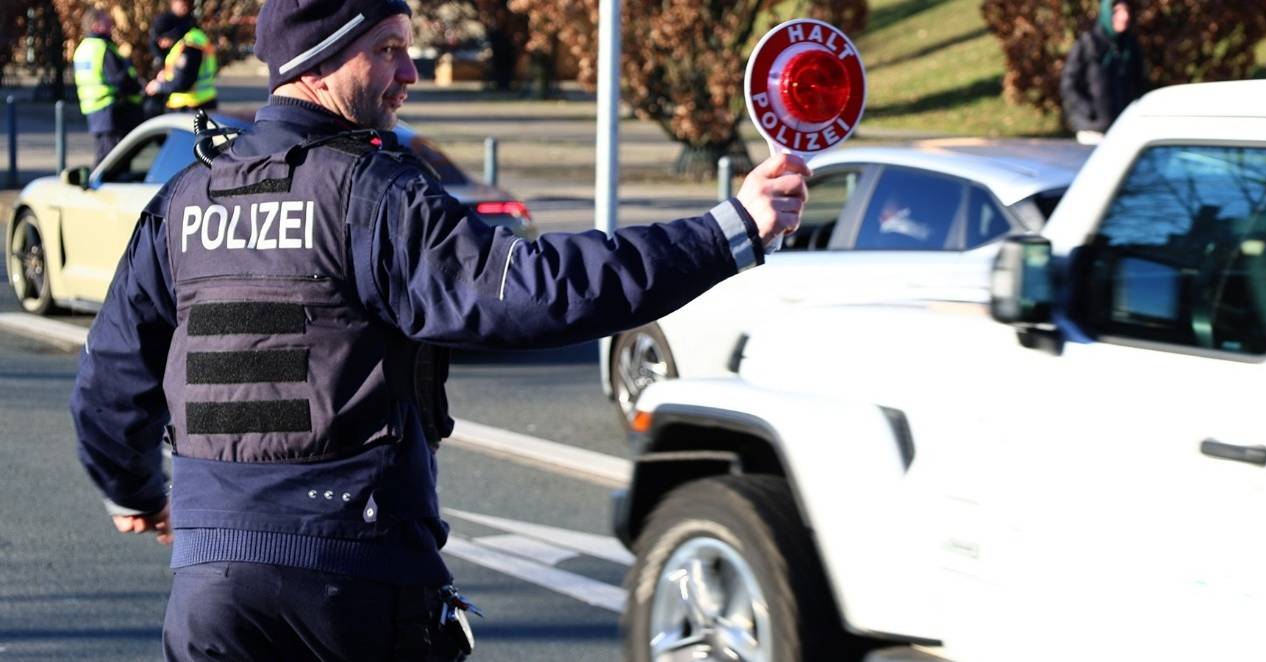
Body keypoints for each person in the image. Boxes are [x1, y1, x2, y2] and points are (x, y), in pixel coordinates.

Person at [71, 0, 807, 658]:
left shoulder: (184, 202)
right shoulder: (373, 195)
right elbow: (541, 289)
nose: (412, 72)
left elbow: (108, 387)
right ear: (319, 59)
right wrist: (727, 232)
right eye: (388, 48)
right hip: (353, 588)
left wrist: (135, 492)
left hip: (211, 595)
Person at [1061, 0, 1147, 145]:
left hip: (1123, 130)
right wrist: (1088, 110)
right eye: (1117, 11)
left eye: (1126, 11)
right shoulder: (1088, 43)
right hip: (1093, 132)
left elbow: (1139, 84)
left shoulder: (1130, 47)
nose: (1124, 17)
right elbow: (1068, 85)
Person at [72, 6, 143, 167]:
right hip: (111, 111)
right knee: (113, 161)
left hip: (94, 110)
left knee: (104, 154)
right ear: (96, 25)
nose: (111, 24)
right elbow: (119, 79)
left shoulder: (82, 48)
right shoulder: (103, 48)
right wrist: (138, 88)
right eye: (106, 21)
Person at [144, 0, 217, 112]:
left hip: (192, 106)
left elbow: (184, 82)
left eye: (161, 39)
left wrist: (159, 86)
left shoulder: (190, 45)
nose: (161, 44)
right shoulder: (191, 39)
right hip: (197, 104)